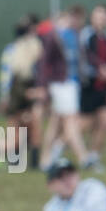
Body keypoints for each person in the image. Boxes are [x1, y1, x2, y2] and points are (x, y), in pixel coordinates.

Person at [36, 13, 90, 171]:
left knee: (56, 123)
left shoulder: (75, 36)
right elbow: (45, 63)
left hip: (71, 83)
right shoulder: (53, 37)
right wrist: (43, 85)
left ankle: (46, 159)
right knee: (70, 121)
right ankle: (83, 157)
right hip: (61, 84)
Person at [0, 14, 44, 170]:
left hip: (29, 90)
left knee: (33, 124)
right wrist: (5, 97)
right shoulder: (13, 50)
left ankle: (33, 162)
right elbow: (7, 77)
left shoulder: (35, 48)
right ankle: (4, 157)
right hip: (17, 92)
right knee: (15, 129)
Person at [78, 4, 106, 170]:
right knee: (84, 125)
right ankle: (58, 146)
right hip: (89, 86)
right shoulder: (87, 35)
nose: (101, 18)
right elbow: (85, 57)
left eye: (104, 15)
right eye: (98, 14)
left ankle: (93, 157)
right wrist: (100, 69)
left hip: (102, 88)